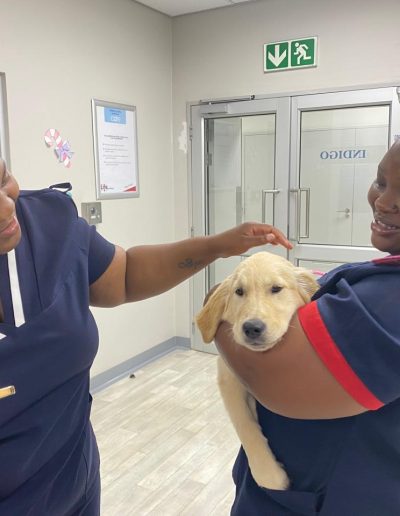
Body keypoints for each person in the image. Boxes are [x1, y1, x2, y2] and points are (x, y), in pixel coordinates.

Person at [0, 156, 292, 515]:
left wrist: (219, 245)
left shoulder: (47, 220)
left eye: (3, 178)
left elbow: (122, 276)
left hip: (74, 484)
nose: (5, 206)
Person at [213, 140, 400, 516]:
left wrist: (216, 304)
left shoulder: (389, 303)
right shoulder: (384, 271)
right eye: (381, 182)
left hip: (324, 495)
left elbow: (270, 378)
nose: (383, 202)